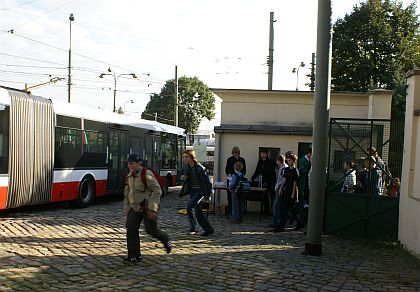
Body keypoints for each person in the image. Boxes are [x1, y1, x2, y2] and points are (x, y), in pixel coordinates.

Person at [123, 153, 171, 262]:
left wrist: (153, 209)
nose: (130, 166)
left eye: (132, 164)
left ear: (138, 163)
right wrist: (126, 205)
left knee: (151, 230)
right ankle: (134, 255)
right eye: (128, 164)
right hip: (134, 208)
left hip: (147, 208)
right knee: (130, 228)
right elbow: (127, 191)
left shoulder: (146, 174)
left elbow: (157, 190)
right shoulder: (130, 175)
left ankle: (165, 238)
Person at [182, 149, 214, 236]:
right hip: (192, 191)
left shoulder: (200, 168)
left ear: (192, 157)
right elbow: (186, 177)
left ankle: (193, 227)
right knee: (198, 212)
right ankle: (209, 229)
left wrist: (209, 194)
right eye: (183, 157)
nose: (184, 159)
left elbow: (208, 181)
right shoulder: (187, 167)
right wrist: (184, 178)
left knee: (189, 207)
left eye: (186, 157)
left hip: (200, 191)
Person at [274, 154, 299, 233]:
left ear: (294, 161)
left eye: (290, 160)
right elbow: (284, 180)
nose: (288, 162)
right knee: (286, 210)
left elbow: (295, 184)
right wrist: (280, 188)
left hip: (290, 193)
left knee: (286, 210)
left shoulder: (295, 171)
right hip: (284, 191)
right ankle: (299, 223)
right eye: (287, 160)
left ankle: (281, 227)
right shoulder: (287, 169)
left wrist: (293, 194)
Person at [251, 148, 277, 212]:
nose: (263, 155)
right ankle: (266, 211)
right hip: (263, 181)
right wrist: (252, 178)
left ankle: (273, 212)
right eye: (262, 153)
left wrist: (267, 181)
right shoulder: (260, 162)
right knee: (264, 196)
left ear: (267, 154)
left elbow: (271, 173)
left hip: (271, 181)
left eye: (264, 153)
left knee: (272, 196)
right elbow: (257, 171)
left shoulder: (270, 161)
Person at [225, 146, 246, 216]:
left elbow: (244, 171)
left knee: (239, 200)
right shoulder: (229, 160)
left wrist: (239, 175)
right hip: (231, 179)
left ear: (239, 153)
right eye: (234, 153)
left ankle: (237, 215)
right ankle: (231, 212)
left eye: (236, 153)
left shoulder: (242, 160)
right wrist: (229, 174)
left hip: (239, 181)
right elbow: (227, 169)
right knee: (230, 197)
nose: (235, 154)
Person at [269, 155, 286, 229]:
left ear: (279, 161)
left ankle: (276, 222)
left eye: (277, 161)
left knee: (276, 206)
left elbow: (283, 180)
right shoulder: (281, 168)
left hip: (280, 189)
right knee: (277, 206)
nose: (276, 162)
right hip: (278, 188)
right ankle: (275, 221)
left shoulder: (284, 169)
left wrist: (278, 186)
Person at [297, 148, 312, 230]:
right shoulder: (302, 160)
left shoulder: (309, 161)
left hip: (307, 183)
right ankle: (300, 217)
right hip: (303, 183)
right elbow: (302, 170)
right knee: (303, 200)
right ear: (309, 153)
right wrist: (309, 169)